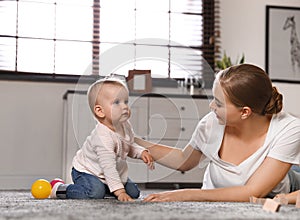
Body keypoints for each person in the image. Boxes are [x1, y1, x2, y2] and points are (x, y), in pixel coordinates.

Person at [135, 63, 300, 203]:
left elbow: (253, 191)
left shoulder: (289, 128)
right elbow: (184, 161)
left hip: (278, 187)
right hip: (223, 190)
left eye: (219, 103)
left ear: (245, 112)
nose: (211, 106)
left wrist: (185, 194)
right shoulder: (211, 123)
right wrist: (132, 142)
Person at [51, 75, 154, 201]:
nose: (125, 106)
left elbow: (129, 146)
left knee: (133, 193)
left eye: (126, 101)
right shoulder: (102, 138)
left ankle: (109, 187)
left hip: (111, 173)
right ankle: (61, 189)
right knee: (95, 193)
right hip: (87, 171)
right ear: (100, 111)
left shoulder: (125, 126)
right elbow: (108, 167)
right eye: (117, 102)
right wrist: (120, 192)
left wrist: (141, 152)